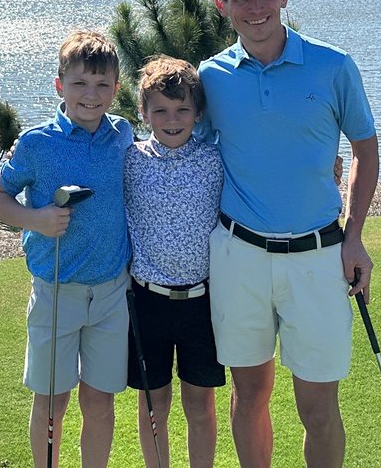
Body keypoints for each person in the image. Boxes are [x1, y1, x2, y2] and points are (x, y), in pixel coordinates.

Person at [198, 0, 379, 468]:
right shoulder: (211, 77)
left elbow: (365, 150)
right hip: (239, 256)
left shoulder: (333, 66)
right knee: (249, 393)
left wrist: (356, 237)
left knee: (318, 406)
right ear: (222, 5)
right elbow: (182, 146)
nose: (255, 9)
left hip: (319, 257)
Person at [0, 30, 134, 468]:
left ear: (116, 88)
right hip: (56, 292)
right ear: (59, 84)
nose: (91, 95)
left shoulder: (123, 135)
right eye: (80, 84)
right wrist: (35, 219)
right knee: (52, 404)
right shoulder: (36, 143)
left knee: (100, 402)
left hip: (111, 293)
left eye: (102, 85)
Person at [123, 55, 225, 468]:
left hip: (204, 302)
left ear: (198, 113)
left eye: (183, 109)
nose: (172, 119)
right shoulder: (129, 160)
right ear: (143, 113)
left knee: (200, 405)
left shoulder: (215, 161)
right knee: (153, 406)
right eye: (160, 110)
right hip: (147, 303)